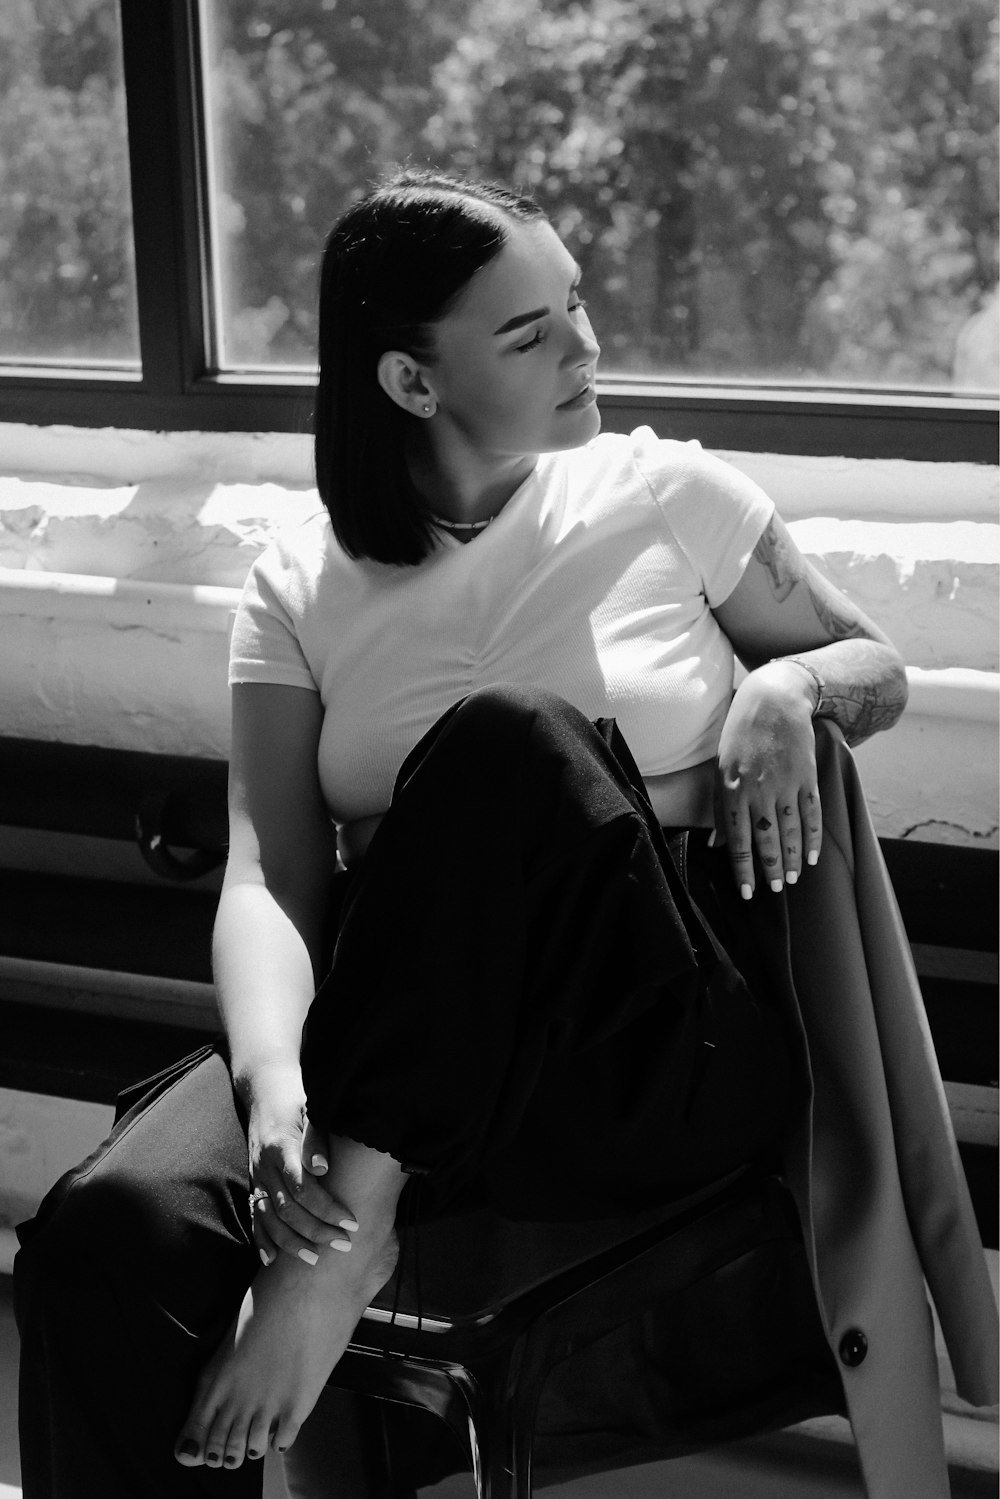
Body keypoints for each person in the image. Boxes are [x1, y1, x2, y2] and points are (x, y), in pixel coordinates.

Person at [15, 170, 912, 1495]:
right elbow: (271, 873)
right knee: (110, 1230)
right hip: (402, 1039)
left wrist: (790, 684)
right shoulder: (300, 586)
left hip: (637, 1045)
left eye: (576, 308)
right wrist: (275, 1095)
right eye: (528, 330)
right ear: (410, 382)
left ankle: (340, 1244)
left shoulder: (669, 494)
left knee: (508, 740)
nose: (584, 346)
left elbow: (874, 664)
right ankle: (332, 1198)